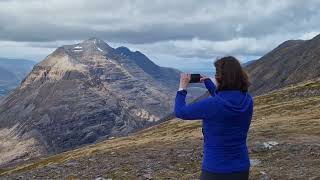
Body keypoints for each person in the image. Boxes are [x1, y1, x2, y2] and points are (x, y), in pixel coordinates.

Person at [175, 56, 253, 180]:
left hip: (215, 169)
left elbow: (180, 112)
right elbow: (225, 101)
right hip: (241, 167)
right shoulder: (247, 99)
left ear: (220, 77)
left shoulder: (212, 104)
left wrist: (182, 87)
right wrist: (209, 84)